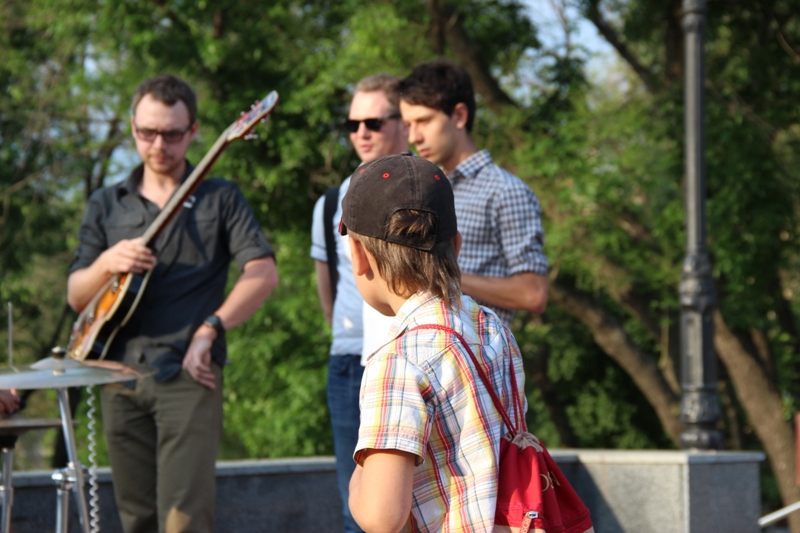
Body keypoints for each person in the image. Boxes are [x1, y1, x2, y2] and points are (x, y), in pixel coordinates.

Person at [67, 74, 278, 533]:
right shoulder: (107, 203)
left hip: (188, 372)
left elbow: (263, 273)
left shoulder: (221, 197)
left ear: (194, 131)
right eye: (147, 132)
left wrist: (211, 329)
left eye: (171, 133)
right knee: (136, 518)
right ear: (131, 127)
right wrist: (108, 261)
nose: (158, 144)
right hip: (118, 375)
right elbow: (76, 295)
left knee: (184, 520)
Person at [343, 153, 529, 532]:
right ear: (456, 247)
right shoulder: (492, 329)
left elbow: (382, 517)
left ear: (359, 256)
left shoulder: (398, 361)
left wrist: (359, 475)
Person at [310, 73, 408, 533]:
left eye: (372, 120)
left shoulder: (423, 188)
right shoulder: (331, 202)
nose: (361, 133)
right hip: (351, 361)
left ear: (402, 121)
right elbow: (326, 284)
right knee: (358, 508)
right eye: (352, 124)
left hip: (415, 354)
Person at [398, 60, 549, 325]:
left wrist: (441, 273)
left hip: (478, 359)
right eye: (409, 125)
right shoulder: (425, 188)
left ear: (459, 116)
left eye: (423, 121)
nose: (415, 137)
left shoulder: (505, 190)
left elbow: (533, 294)